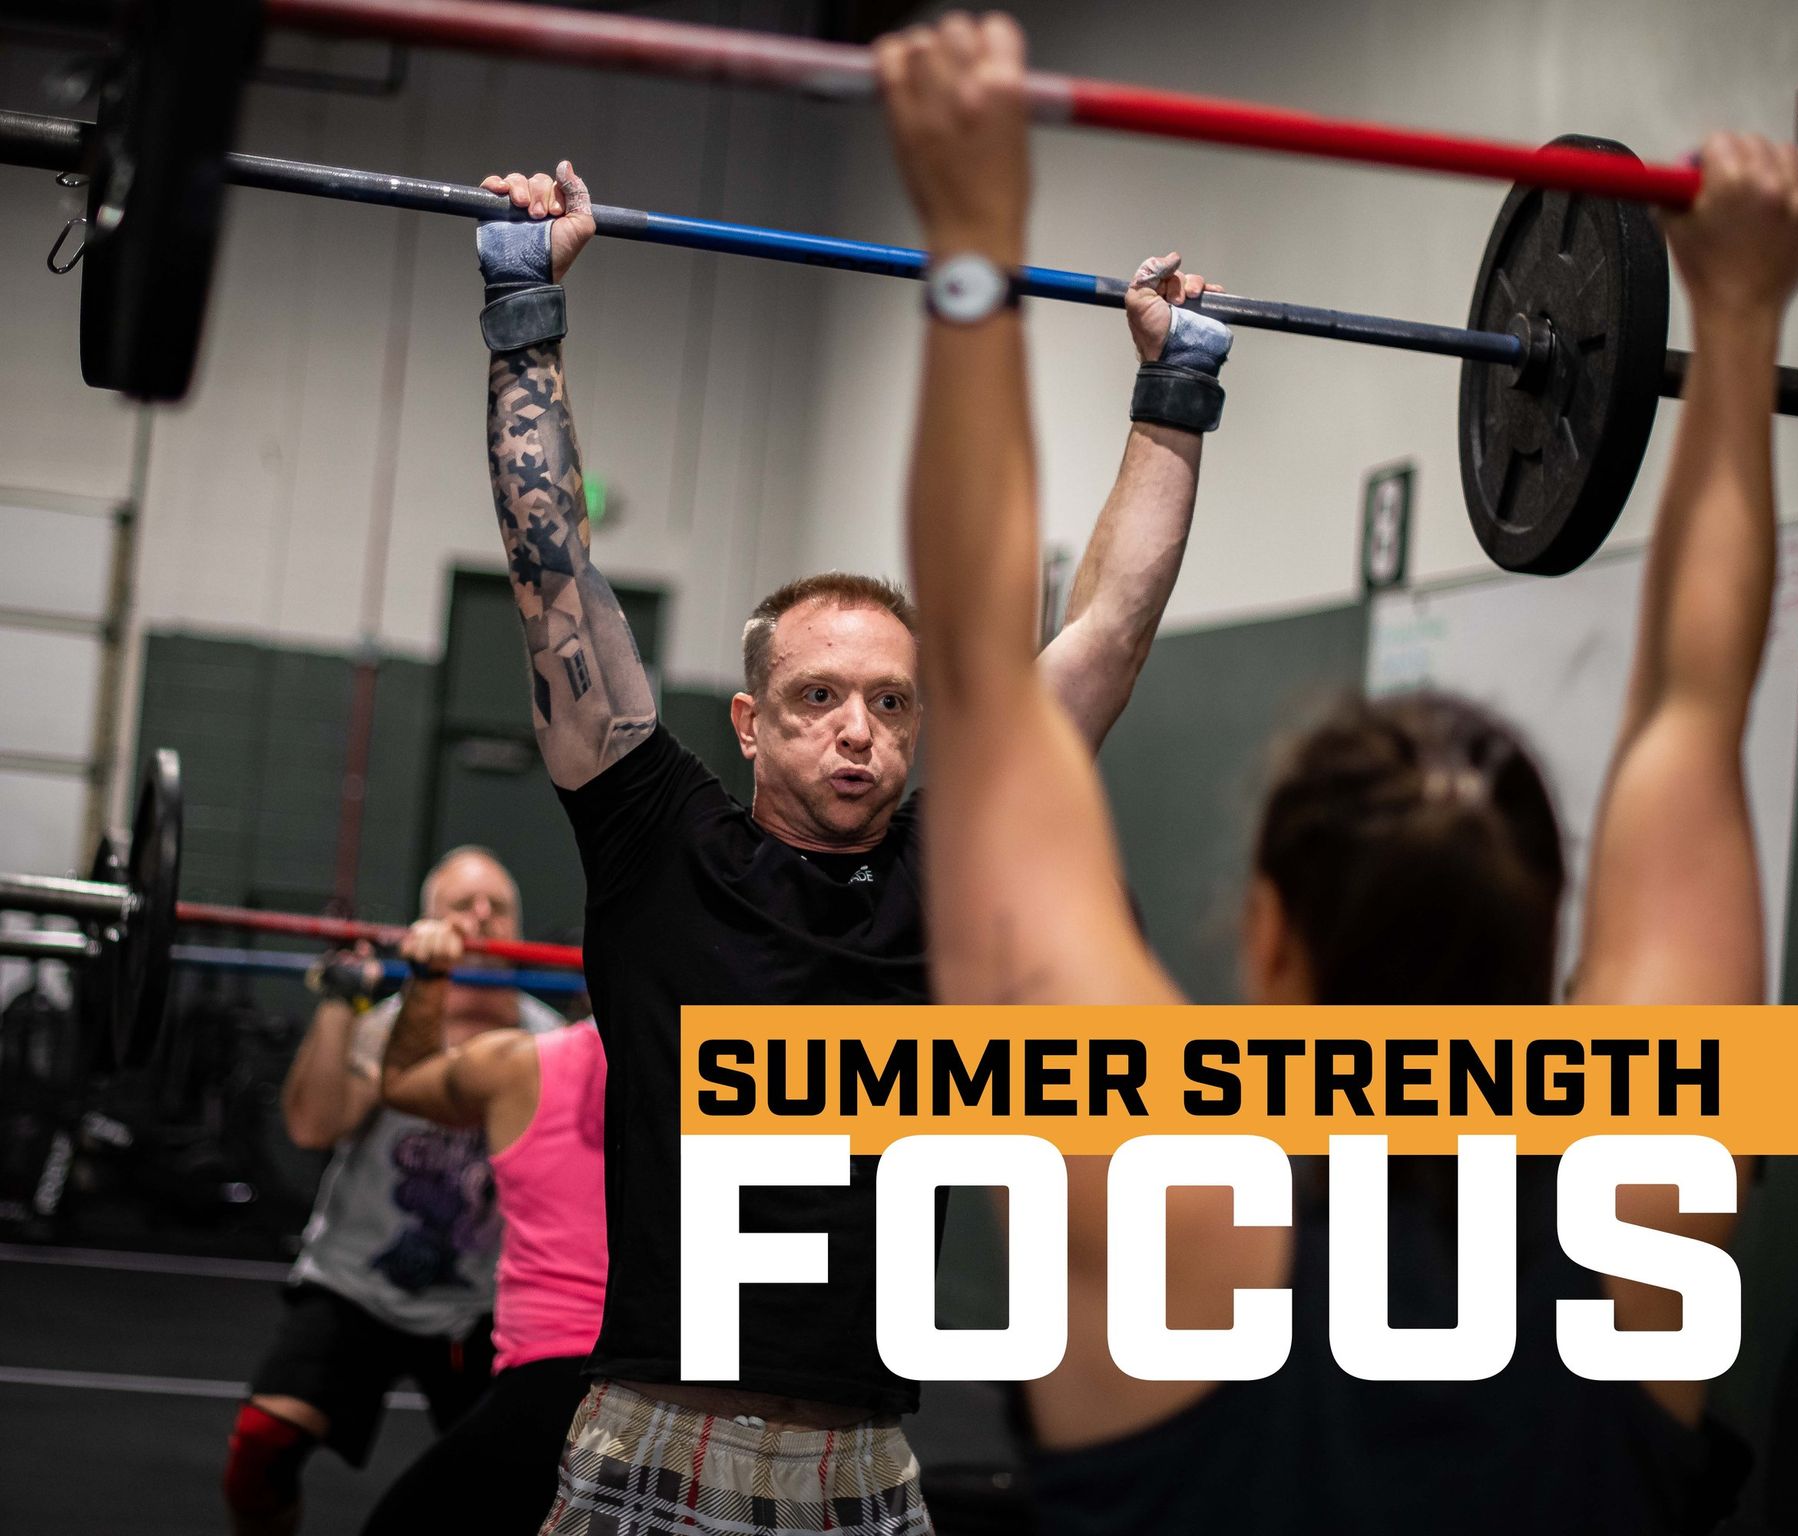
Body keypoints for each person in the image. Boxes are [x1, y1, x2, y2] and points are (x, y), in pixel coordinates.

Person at [878, 14, 1798, 1534]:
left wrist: (973, 229)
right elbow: (1697, 708)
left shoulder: (1159, 1220)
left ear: (1266, 936)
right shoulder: (1647, 1207)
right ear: (1552, 959)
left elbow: (990, 712)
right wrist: (1745, 315)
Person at [473, 146, 1231, 1529]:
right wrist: (527, 314)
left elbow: (1108, 632)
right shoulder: (660, 847)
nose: (859, 732)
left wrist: (1174, 389)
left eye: (891, 702)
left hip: (866, 1469)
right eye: (819, 700)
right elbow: (552, 576)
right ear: (754, 722)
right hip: (656, 1442)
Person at [224, 847, 564, 1536]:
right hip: (354, 1288)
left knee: (530, 1494)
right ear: (424, 926)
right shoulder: (382, 1026)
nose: (479, 917)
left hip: (480, 1307)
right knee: (262, 1446)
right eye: (460, 906)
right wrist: (340, 1002)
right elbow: (314, 1126)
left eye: (495, 907)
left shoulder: (549, 1045)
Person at [357, 917, 607, 1536]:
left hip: (554, 1381)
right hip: (667, 1388)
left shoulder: (516, 1066)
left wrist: (428, 975)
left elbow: (401, 1081)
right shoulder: (739, 1078)